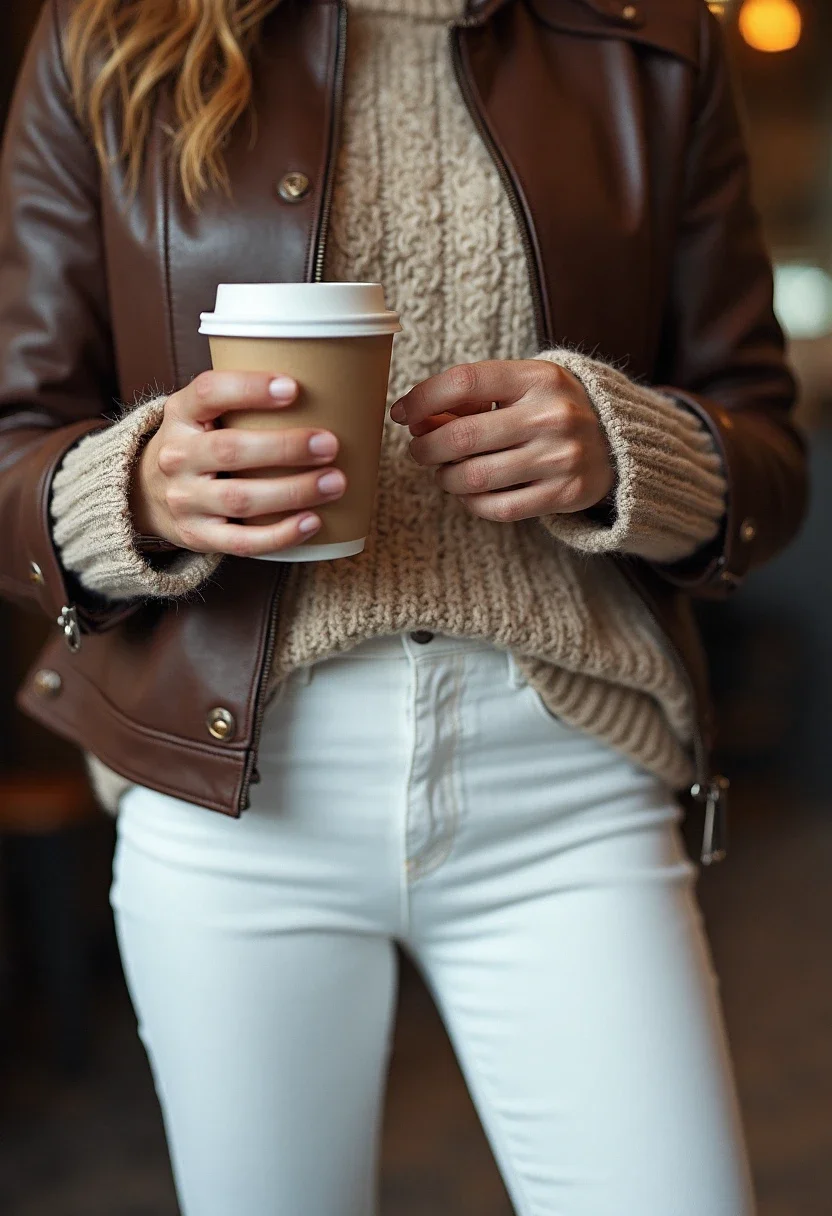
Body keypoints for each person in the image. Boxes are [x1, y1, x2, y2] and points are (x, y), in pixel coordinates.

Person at [0, 0, 807, 1212]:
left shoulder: (653, 38)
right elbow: (15, 445)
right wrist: (139, 488)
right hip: (236, 798)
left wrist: (629, 448)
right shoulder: (109, 31)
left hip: (566, 786)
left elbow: (769, 457)